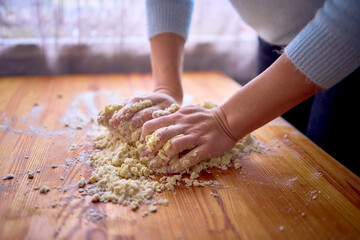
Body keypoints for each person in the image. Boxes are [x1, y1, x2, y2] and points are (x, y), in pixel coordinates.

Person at [111, 0, 360, 175]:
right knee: (291, 157)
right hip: (276, 36)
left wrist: (224, 122)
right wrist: (166, 87)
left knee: (330, 174)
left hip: (348, 48)